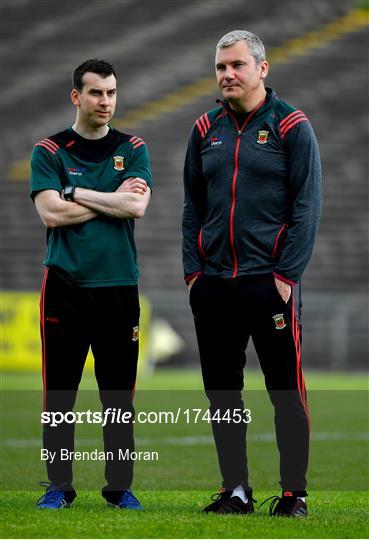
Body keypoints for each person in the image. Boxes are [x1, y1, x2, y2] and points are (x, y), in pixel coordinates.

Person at [182, 30, 321, 517]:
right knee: (223, 394)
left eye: (237, 65)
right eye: (221, 67)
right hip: (215, 285)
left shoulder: (291, 126)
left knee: (285, 392)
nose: (228, 75)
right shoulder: (204, 129)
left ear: (262, 69)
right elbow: (192, 208)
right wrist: (193, 275)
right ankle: (235, 489)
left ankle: (292, 494)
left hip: (270, 283)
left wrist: (285, 275)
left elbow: (308, 206)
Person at [30, 59, 152, 510]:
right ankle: (58, 486)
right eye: (97, 93)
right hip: (65, 284)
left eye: (112, 93)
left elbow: (137, 208)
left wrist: (76, 193)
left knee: (118, 396)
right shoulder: (49, 150)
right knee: (59, 393)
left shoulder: (133, 147)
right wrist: (112, 199)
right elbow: (49, 213)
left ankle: (119, 488)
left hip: (120, 287)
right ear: (76, 96)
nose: (106, 102)